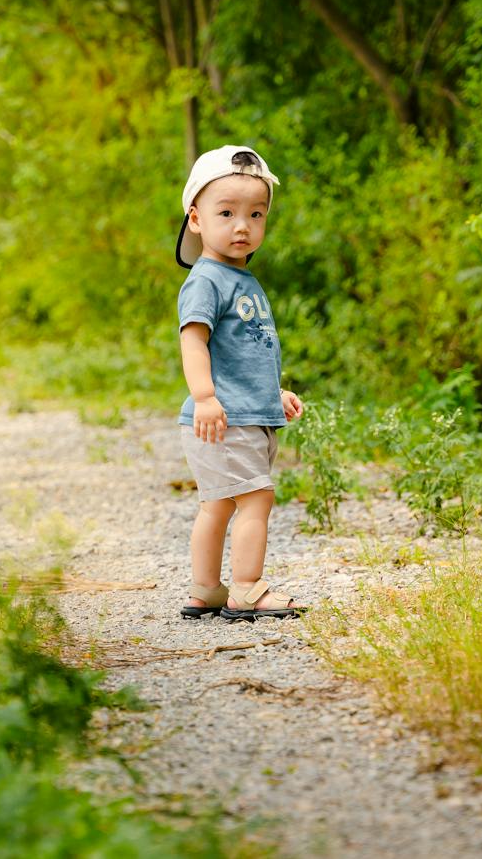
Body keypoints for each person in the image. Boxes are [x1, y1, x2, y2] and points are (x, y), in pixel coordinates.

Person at [172, 145, 307, 621]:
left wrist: (274, 394)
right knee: (256, 498)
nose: (242, 225)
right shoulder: (207, 279)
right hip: (224, 418)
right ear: (196, 219)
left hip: (243, 413)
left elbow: (246, 354)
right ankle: (245, 589)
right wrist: (204, 396)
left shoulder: (242, 279)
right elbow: (194, 341)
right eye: (226, 213)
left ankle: (206, 589)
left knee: (219, 504)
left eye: (255, 213)